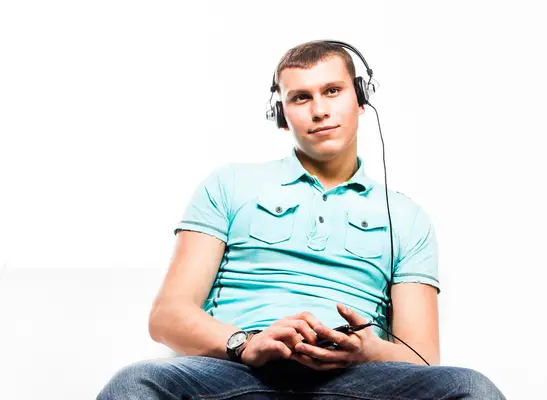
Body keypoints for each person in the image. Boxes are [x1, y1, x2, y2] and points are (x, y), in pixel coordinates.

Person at [97, 40, 506, 399]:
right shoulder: (228, 184)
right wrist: (245, 344)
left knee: (472, 388)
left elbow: (421, 358)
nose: (320, 110)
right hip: (235, 372)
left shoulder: (407, 217)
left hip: (358, 381)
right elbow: (168, 316)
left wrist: (367, 351)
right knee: (137, 383)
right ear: (282, 112)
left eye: (332, 91)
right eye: (300, 97)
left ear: (360, 99)